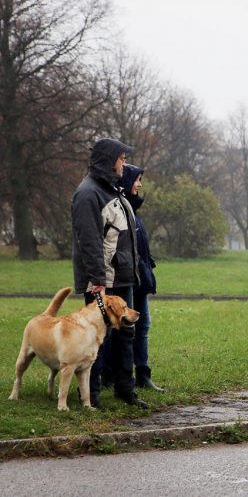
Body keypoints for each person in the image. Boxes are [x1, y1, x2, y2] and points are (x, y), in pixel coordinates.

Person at [71, 138, 148, 409]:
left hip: (124, 277)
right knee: (95, 338)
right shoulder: (88, 193)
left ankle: (126, 391)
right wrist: (98, 282)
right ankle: (90, 396)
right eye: (121, 158)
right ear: (108, 159)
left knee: (127, 333)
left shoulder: (113, 189)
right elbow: (89, 242)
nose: (124, 164)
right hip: (103, 282)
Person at [119, 164, 164, 392]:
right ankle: (119, 376)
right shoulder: (123, 210)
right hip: (129, 280)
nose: (140, 184)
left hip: (141, 280)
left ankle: (143, 374)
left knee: (143, 325)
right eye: (136, 180)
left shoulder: (133, 211)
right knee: (128, 328)